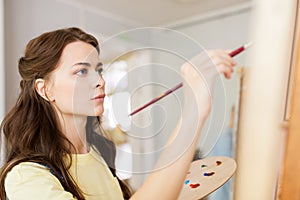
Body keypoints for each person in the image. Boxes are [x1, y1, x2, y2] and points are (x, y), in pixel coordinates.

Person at [0, 27, 236, 200]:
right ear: (45, 89)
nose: (100, 81)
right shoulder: (26, 177)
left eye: (98, 70)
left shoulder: (98, 154)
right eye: (81, 72)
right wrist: (193, 111)